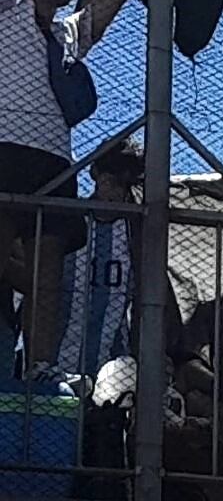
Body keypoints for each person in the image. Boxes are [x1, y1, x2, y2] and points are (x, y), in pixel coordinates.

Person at [0, 0, 134, 374]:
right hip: (4, 146)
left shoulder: (69, 32)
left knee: (48, 269)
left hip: (54, 158)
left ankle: (39, 364)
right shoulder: (8, 7)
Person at [56, 137, 145, 380]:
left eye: (124, 186)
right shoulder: (67, 222)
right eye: (111, 181)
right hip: (56, 357)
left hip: (110, 366)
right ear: (96, 174)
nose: (115, 193)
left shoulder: (133, 232)